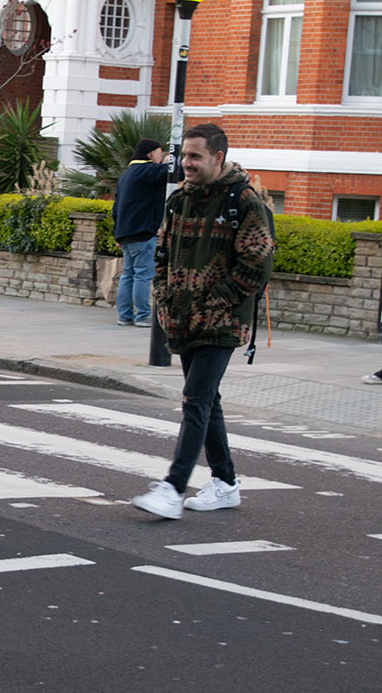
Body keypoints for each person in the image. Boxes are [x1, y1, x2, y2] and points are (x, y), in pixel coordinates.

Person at [132, 123, 275, 520]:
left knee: (194, 400)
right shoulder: (179, 200)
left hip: (222, 322)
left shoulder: (244, 202)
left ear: (218, 157)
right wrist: (163, 293)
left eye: (195, 156)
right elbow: (161, 252)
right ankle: (225, 483)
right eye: (184, 156)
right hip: (182, 318)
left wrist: (217, 300)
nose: (186, 164)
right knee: (207, 400)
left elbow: (258, 263)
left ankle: (173, 488)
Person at [111, 138, 169, 327]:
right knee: (143, 274)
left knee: (128, 274)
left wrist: (117, 233)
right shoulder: (147, 170)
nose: (160, 157)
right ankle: (143, 315)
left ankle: (124, 315)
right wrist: (172, 162)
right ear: (151, 153)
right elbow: (177, 172)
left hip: (126, 233)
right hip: (143, 232)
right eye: (160, 153)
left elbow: (116, 207)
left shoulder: (127, 174)